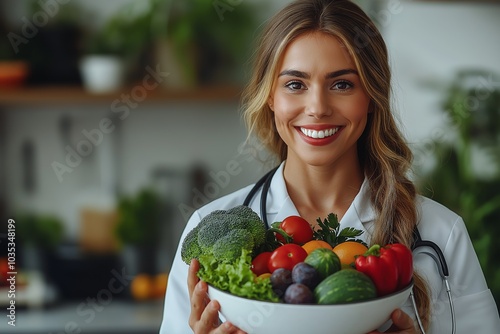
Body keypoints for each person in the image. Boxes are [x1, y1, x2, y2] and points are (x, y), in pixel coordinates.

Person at [160, 0, 500, 333]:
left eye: (342, 84)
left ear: (370, 97)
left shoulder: (442, 234)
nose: (318, 107)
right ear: (270, 97)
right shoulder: (207, 229)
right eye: (295, 84)